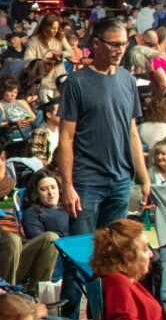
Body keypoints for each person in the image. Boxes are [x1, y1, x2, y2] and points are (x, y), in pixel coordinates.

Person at [55, 17, 148, 234]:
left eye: (124, 44)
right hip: (88, 180)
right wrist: (67, 185)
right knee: (80, 250)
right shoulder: (76, 83)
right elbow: (66, 139)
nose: (120, 50)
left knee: (114, 251)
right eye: (114, 44)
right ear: (96, 43)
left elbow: (132, 132)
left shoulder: (127, 79)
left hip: (121, 179)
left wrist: (144, 178)